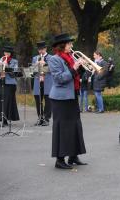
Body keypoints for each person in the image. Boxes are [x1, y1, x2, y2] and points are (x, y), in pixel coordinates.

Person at [49, 33, 87, 169]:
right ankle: (59, 160)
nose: (71, 46)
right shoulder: (54, 59)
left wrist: (82, 67)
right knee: (63, 128)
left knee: (75, 126)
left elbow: (77, 75)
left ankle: (73, 156)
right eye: (69, 43)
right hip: (60, 99)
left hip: (72, 95)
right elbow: (59, 78)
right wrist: (74, 68)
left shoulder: (71, 57)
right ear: (62, 45)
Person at [0, 46, 20, 126]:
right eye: (5, 52)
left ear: (11, 53)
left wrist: (7, 67)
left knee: (7, 101)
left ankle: (5, 120)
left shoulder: (14, 62)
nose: (6, 54)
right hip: (0, 82)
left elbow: (15, 74)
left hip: (9, 84)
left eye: (8, 52)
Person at [32, 41, 53, 126]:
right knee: (38, 100)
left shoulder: (51, 58)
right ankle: (40, 118)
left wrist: (45, 64)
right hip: (38, 82)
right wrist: (35, 66)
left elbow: (53, 69)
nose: (41, 51)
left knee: (48, 101)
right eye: (39, 49)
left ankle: (46, 119)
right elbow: (32, 71)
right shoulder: (35, 58)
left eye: (42, 49)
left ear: (45, 49)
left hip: (47, 81)